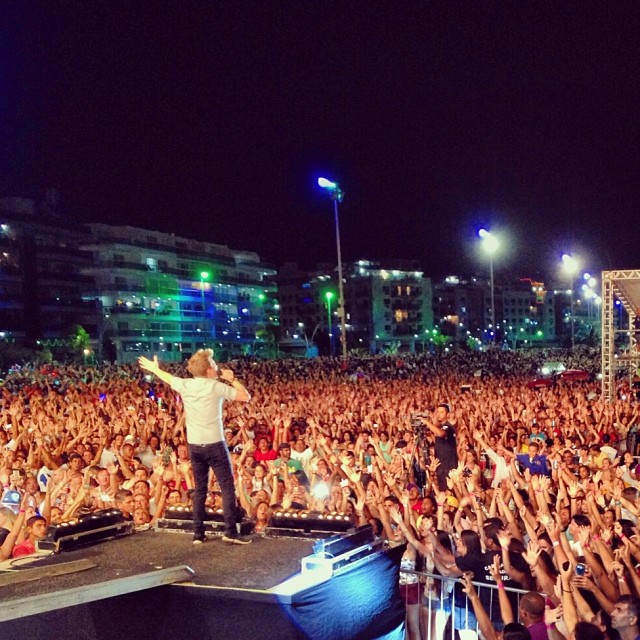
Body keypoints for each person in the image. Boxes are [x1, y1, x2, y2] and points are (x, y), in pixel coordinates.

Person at [139, 349, 251, 545]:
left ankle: (198, 534)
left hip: (195, 445)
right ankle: (230, 531)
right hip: (215, 443)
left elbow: (168, 378)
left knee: (200, 489)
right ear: (209, 371)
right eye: (214, 364)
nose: (217, 366)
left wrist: (154, 369)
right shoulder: (216, 387)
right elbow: (245, 397)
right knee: (226, 486)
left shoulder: (186, 385)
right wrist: (232, 379)